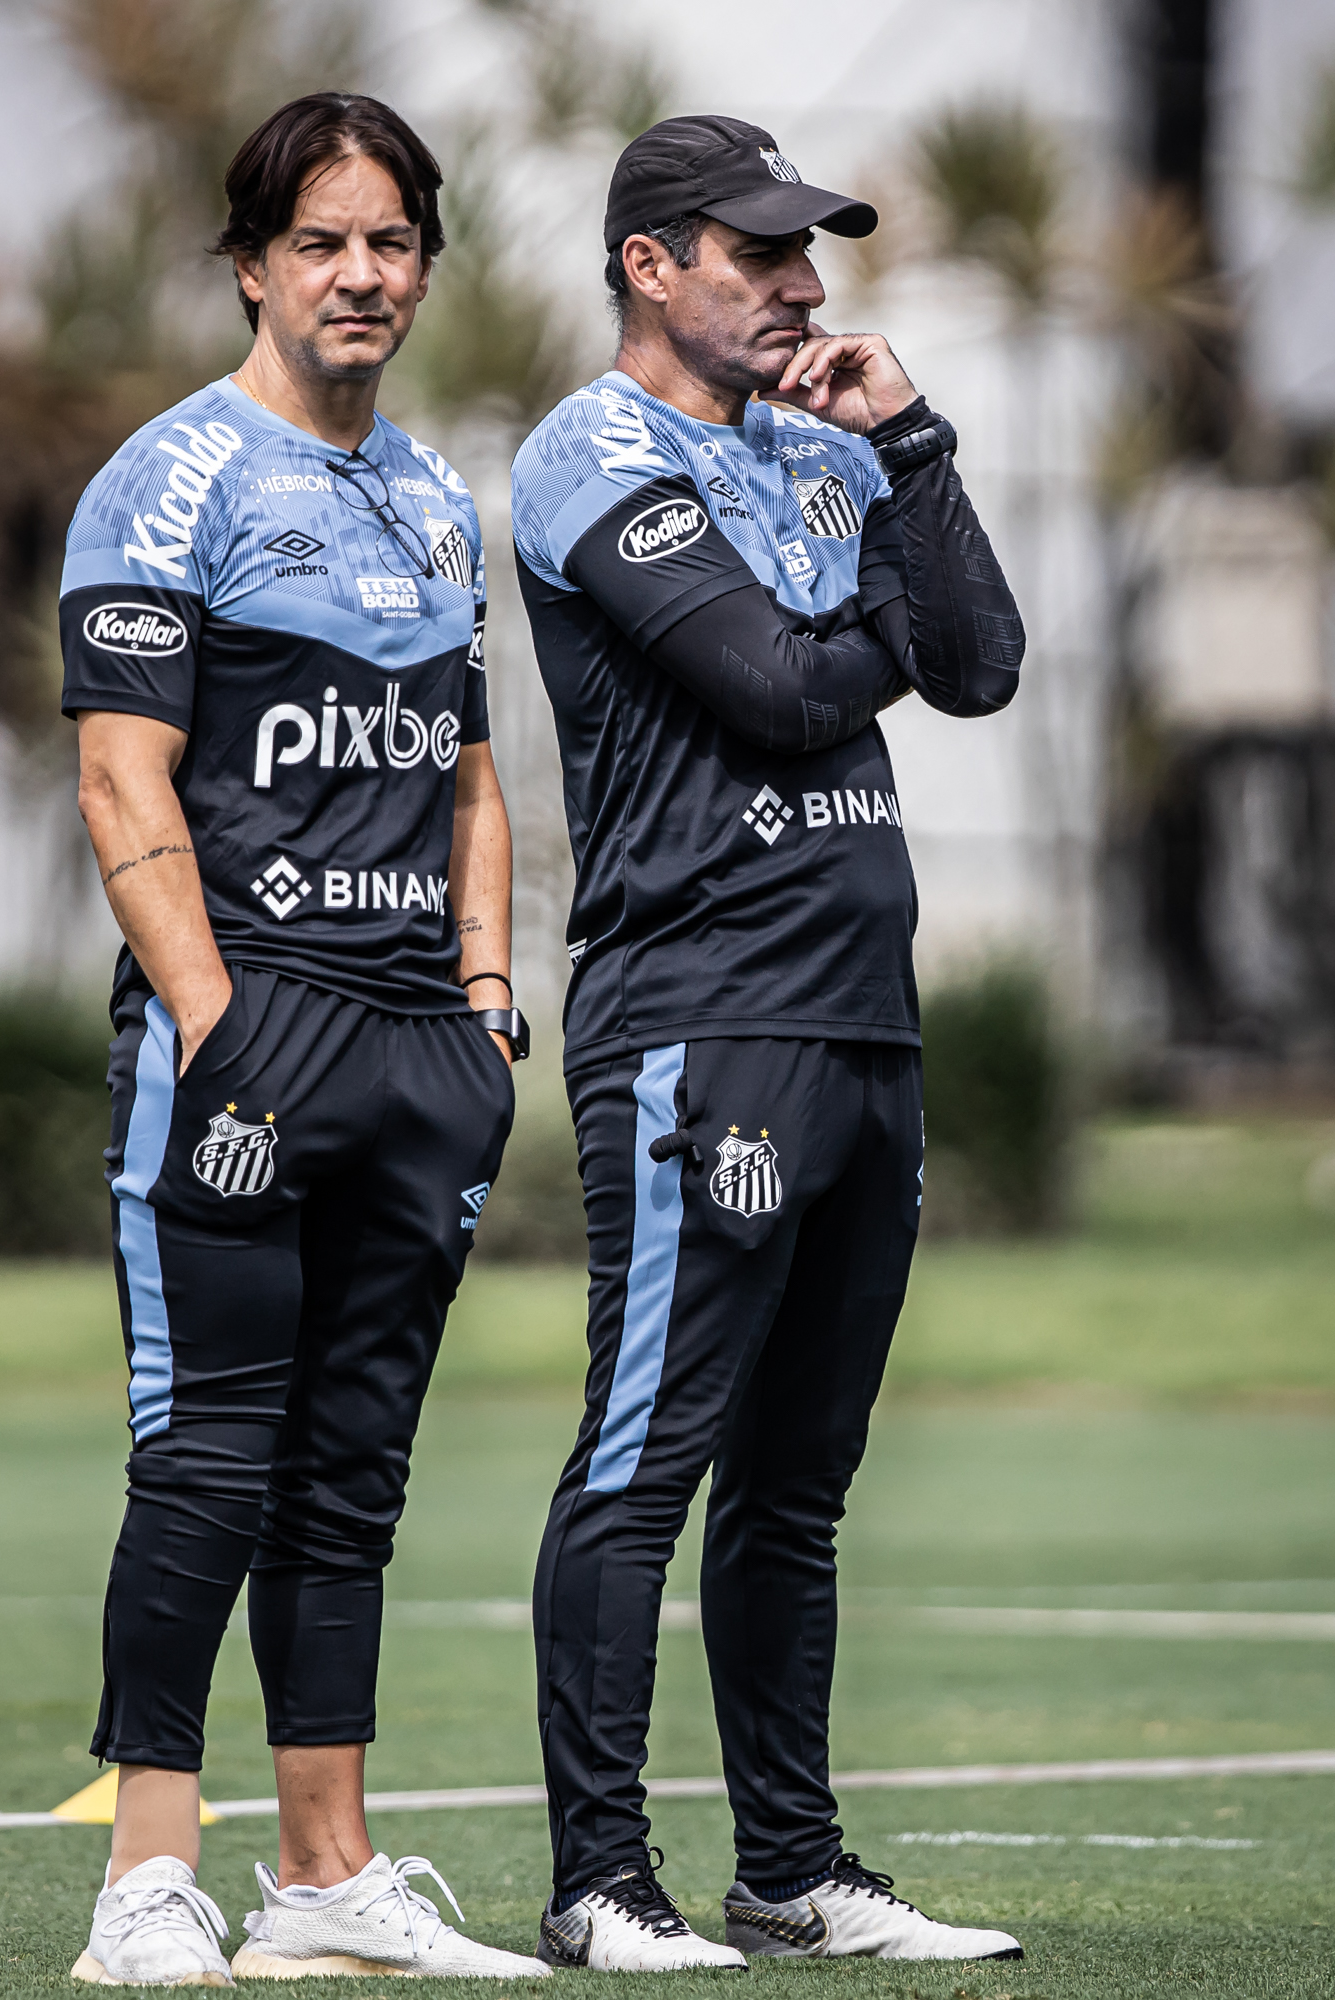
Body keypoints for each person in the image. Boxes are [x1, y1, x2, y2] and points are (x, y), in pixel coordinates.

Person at [509, 114, 1027, 1970]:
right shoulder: (588, 454)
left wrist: (909, 441)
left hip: (862, 1020)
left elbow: (982, 664)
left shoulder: (830, 443)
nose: (804, 287)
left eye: (809, 253)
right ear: (650, 265)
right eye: (759, 253)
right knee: (646, 1461)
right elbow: (784, 687)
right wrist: (890, 606)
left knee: (797, 1486)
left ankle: (792, 1871)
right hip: (698, 1022)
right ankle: (598, 1883)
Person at [59, 92, 544, 1987]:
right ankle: (144, 1889)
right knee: (206, 1460)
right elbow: (122, 783)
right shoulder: (168, 480)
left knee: (352, 1476)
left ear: (425, 265)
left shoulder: (433, 495)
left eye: (391, 241)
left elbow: (470, 779)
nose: (361, 274)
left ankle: (325, 1883)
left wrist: (486, 1008)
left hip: (420, 1049)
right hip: (242, 1037)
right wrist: (215, 1025)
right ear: (253, 265)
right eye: (322, 242)